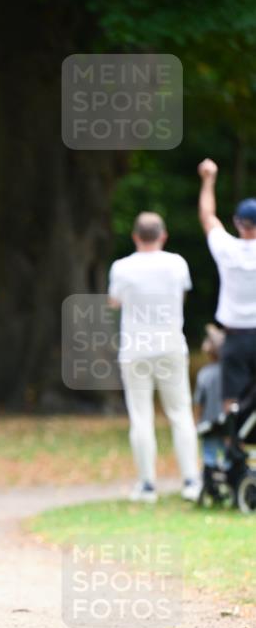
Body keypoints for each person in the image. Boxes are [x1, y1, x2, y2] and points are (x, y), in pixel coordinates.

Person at [108, 212, 200, 503]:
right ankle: (191, 480)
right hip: (171, 345)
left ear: (135, 236)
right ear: (163, 236)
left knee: (141, 416)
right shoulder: (177, 263)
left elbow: (114, 302)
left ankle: (147, 485)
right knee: (180, 413)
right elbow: (182, 295)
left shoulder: (121, 267)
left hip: (135, 349)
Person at [197, 159, 256, 409]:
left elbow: (207, 216)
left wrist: (208, 180)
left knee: (230, 395)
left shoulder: (227, 249)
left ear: (236, 222)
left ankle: (233, 443)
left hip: (234, 334)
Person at [194, 324, 225, 469]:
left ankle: (210, 482)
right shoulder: (230, 373)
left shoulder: (204, 374)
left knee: (209, 456)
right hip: (227, 423)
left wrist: (197, 421)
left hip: (209, 425)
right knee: (228, 455)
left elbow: (199, 401)